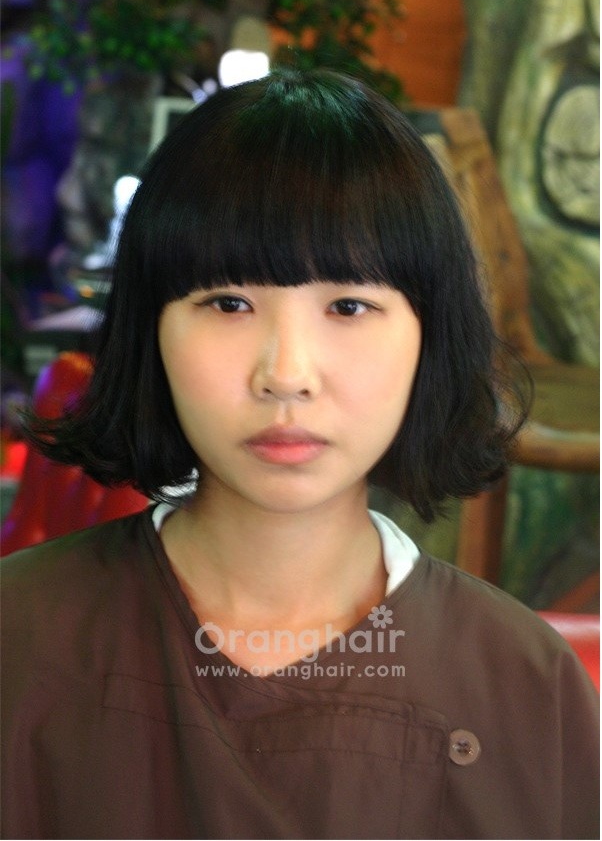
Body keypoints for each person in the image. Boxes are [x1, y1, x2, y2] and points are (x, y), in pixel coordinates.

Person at [1, 69, 598, 840]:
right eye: (228, 303)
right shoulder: (19, 638)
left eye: (349, 306)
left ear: (429, 339)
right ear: (150, 330)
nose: (286, 374)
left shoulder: (527, 686)